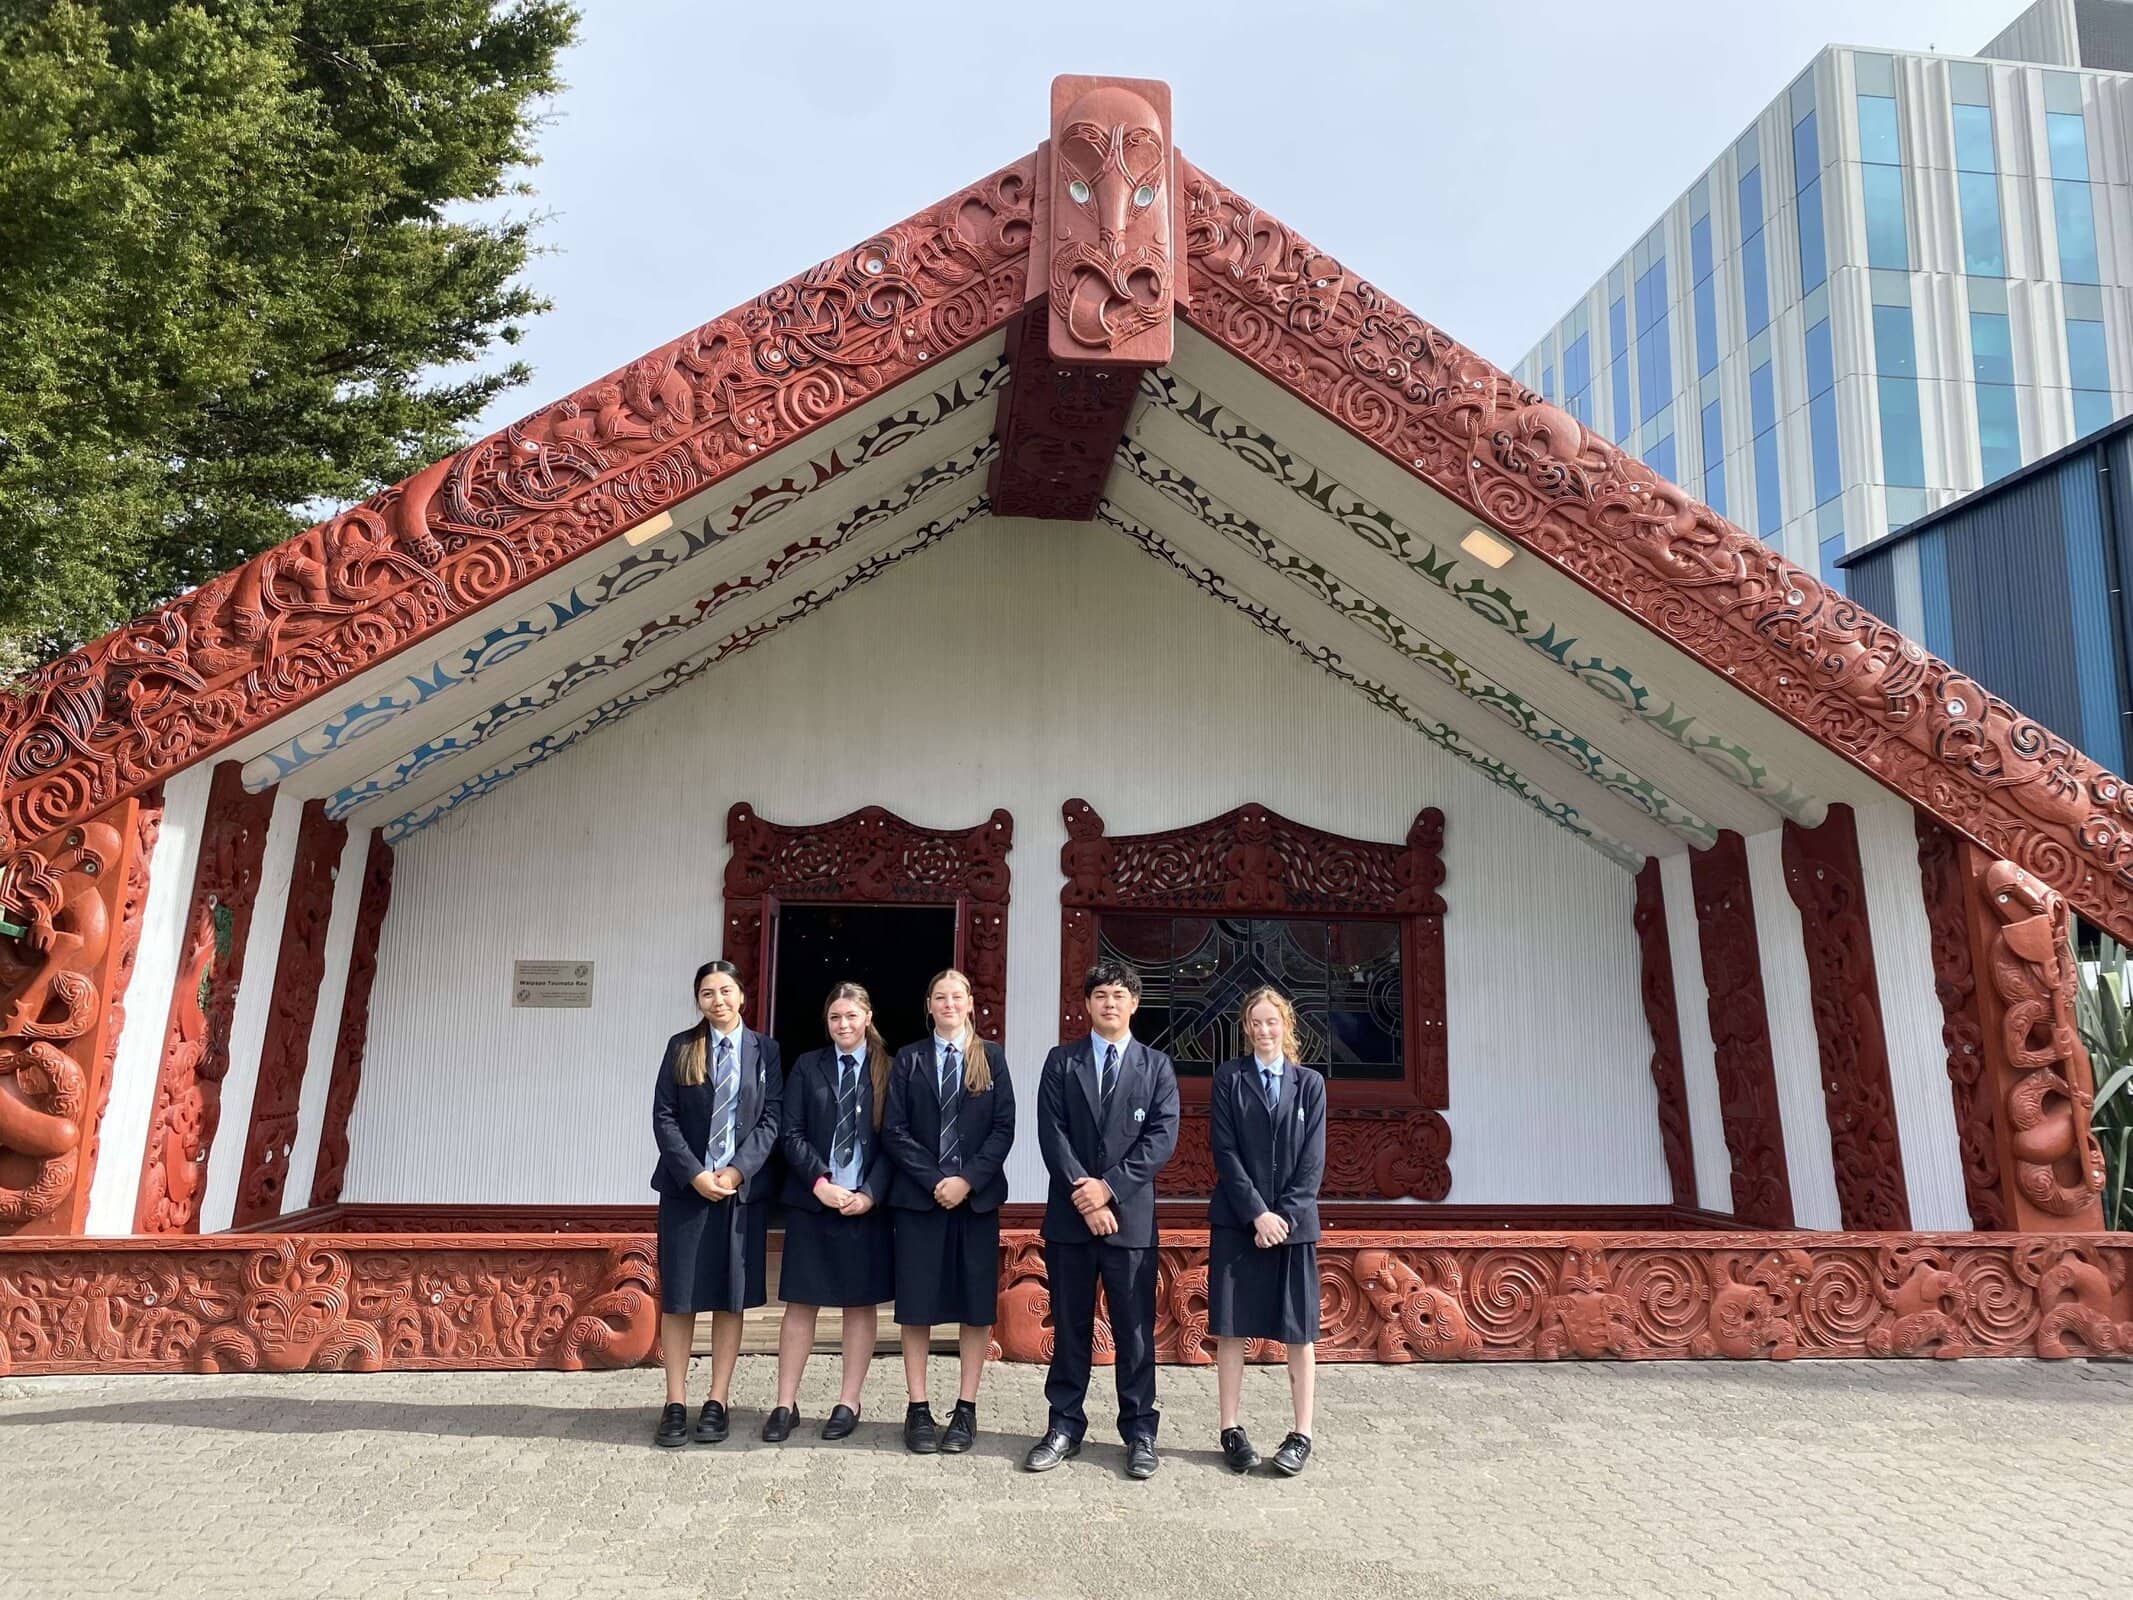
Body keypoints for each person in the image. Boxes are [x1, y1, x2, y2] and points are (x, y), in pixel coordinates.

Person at [1024, 962, 1179, 1480]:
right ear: (1086, 1004)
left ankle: (1139, 1431)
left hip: (1129, 1222)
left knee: (1134, 1332)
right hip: (1071, 1221)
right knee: (1070, 1327)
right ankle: (1064, 1425)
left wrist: (1108, 1190)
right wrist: (1086, 1198)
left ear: (1134, 1004)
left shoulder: (1156, 1067)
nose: (1109, 1003)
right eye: (1100, 995)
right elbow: (1051, 1133)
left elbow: (1160, 1140)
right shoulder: (1061, 1062)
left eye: (1118, 995)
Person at [648, 959, 783, 1448]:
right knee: (680, 1299)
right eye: (708, 993)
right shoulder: (682, 1047)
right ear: (698, 1000)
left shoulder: (765, 1051)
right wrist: (695, 1173)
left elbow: (772, 1118)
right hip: (686, 1191)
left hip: (740, 1195)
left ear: (742, 995)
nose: (718, 1000)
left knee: (730, 1298)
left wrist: (737, 1170)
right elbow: (664, 1117)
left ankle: (717, 1400)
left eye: (726, 991)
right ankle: (675, 1401)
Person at [881, 968, 1015, 1455]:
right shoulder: (910, 1059)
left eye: (957, 996)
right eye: (940, 997)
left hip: (975, 1203)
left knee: (975, 1309)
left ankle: (965, 1407)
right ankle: (917, 1406)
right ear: (929, 1006)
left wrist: (966, 1180)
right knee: (916, 1306)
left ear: (970, 1003)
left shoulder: (990, 1057)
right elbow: (894, 1129)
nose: (949, 1004)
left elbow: (1003, 1128)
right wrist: (935, 1180)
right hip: (921, 1201)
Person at [765, 981, 895, 1442]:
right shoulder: (808, 1066)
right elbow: (790, 1132)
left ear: (868, 1017)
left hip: (865, 1205)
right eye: (835, 1017)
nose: (843, 1024)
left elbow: (896, 1139)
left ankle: (848, 1401)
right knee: (801, 1303)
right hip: (813, 1202)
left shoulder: (890, 1069)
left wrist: (871, 1193)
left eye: (851, 1016)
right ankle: (785, 1403)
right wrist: (819, 1182)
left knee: (859, 1304)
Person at [1207, 984, 1326, 1475]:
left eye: (1271, 1021)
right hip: (1239, 1222)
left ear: (1286, 1025)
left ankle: (1302, 1433)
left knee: (1299, 1332)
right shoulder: (1229, 1079)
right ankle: (1230, 1428)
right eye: (1255, 1023)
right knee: (1232, 1329)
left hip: (1294, 1229)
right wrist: (1257, 1214)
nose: (1263, 1030)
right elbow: (1225, 1151)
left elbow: (1312, 1161)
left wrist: (1283, 1218)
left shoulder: (1310, 1084)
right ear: (1246, 1028)